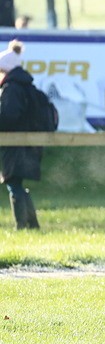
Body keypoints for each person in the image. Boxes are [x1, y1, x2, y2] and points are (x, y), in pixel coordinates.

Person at [0, 40, 42, 229]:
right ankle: (32, 225)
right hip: (27, 142)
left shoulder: (12, 88)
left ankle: (22, 225)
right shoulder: (25, 85)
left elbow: (9, 116)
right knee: (17, 182)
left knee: (13, 182)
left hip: (15, 143)